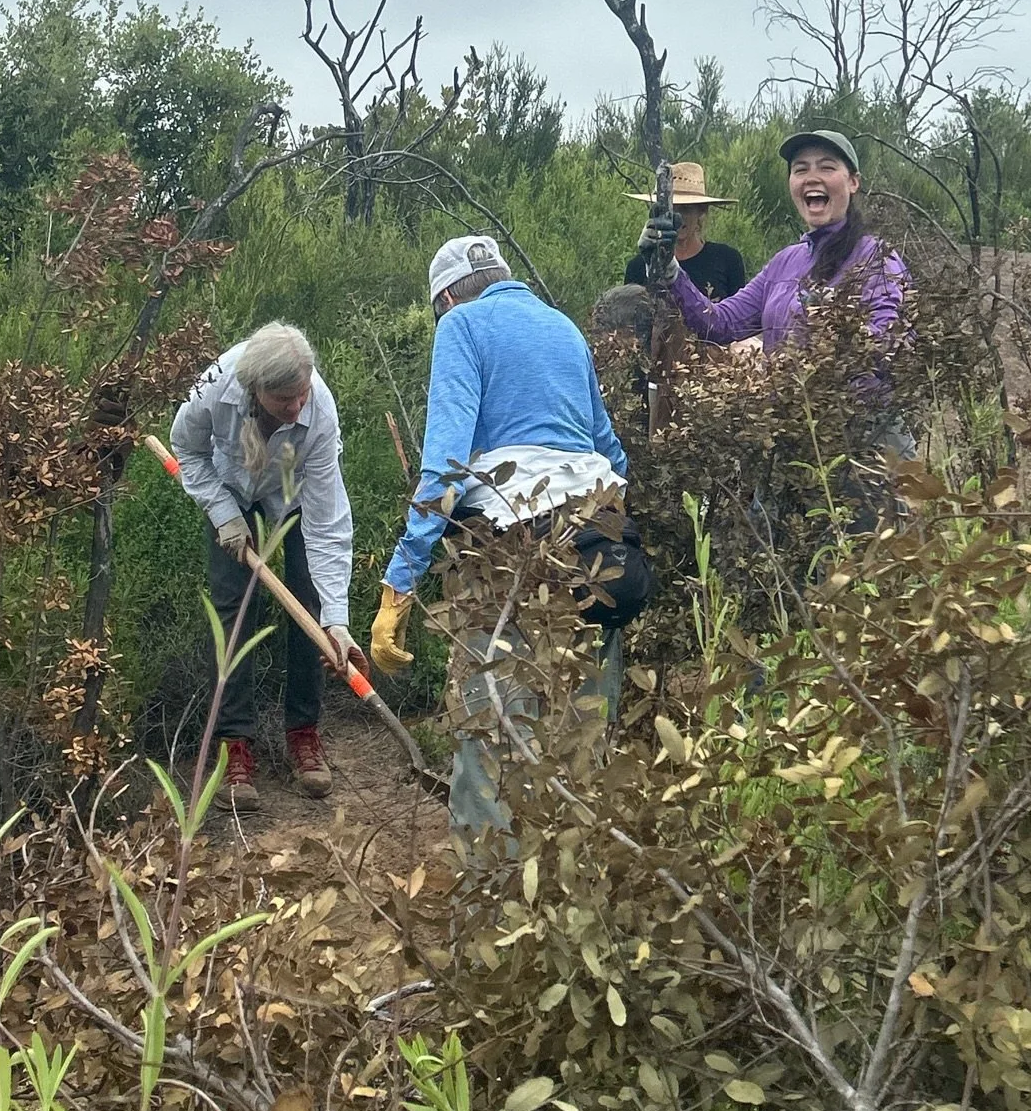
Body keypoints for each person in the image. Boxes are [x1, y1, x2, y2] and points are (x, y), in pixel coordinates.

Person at [370, 236, 648, 835]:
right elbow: (612, 453)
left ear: (447, 298)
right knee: (582, 734)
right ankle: (579, 874)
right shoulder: (564, 328)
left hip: (511, 552)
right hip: (599, 543)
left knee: (492, 731)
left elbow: (445, 470)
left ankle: (491, 883)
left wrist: (399, 584)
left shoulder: (462, 326)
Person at [170, 322, 360, 811]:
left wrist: (337, 620)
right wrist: (223, 513)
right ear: (255, 389)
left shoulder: (319, 412)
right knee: (233, 611)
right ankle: (234, 745)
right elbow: (186, 447)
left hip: (292, 498)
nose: (296, 407)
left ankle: (303, 734)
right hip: (229, 489)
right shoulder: (216, 386)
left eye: (301, 395)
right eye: (283, 400)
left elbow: (328, 523)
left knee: (308, 605)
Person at [639, 130, 909, 356]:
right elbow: (719, 323)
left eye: (827, 167)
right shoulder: (784, 263)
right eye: (800, 169)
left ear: (853, 182)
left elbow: (892, 349)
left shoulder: (876, 261)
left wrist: (830, 325)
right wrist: (669, 269)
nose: (812, 177)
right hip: (779, 406)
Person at [624, 161, 745, 301]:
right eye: (671, 209)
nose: (678, 217)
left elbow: (739, 313)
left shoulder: (727, 260)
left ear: (701, 211)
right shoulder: (638, 267)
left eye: (686, 209)